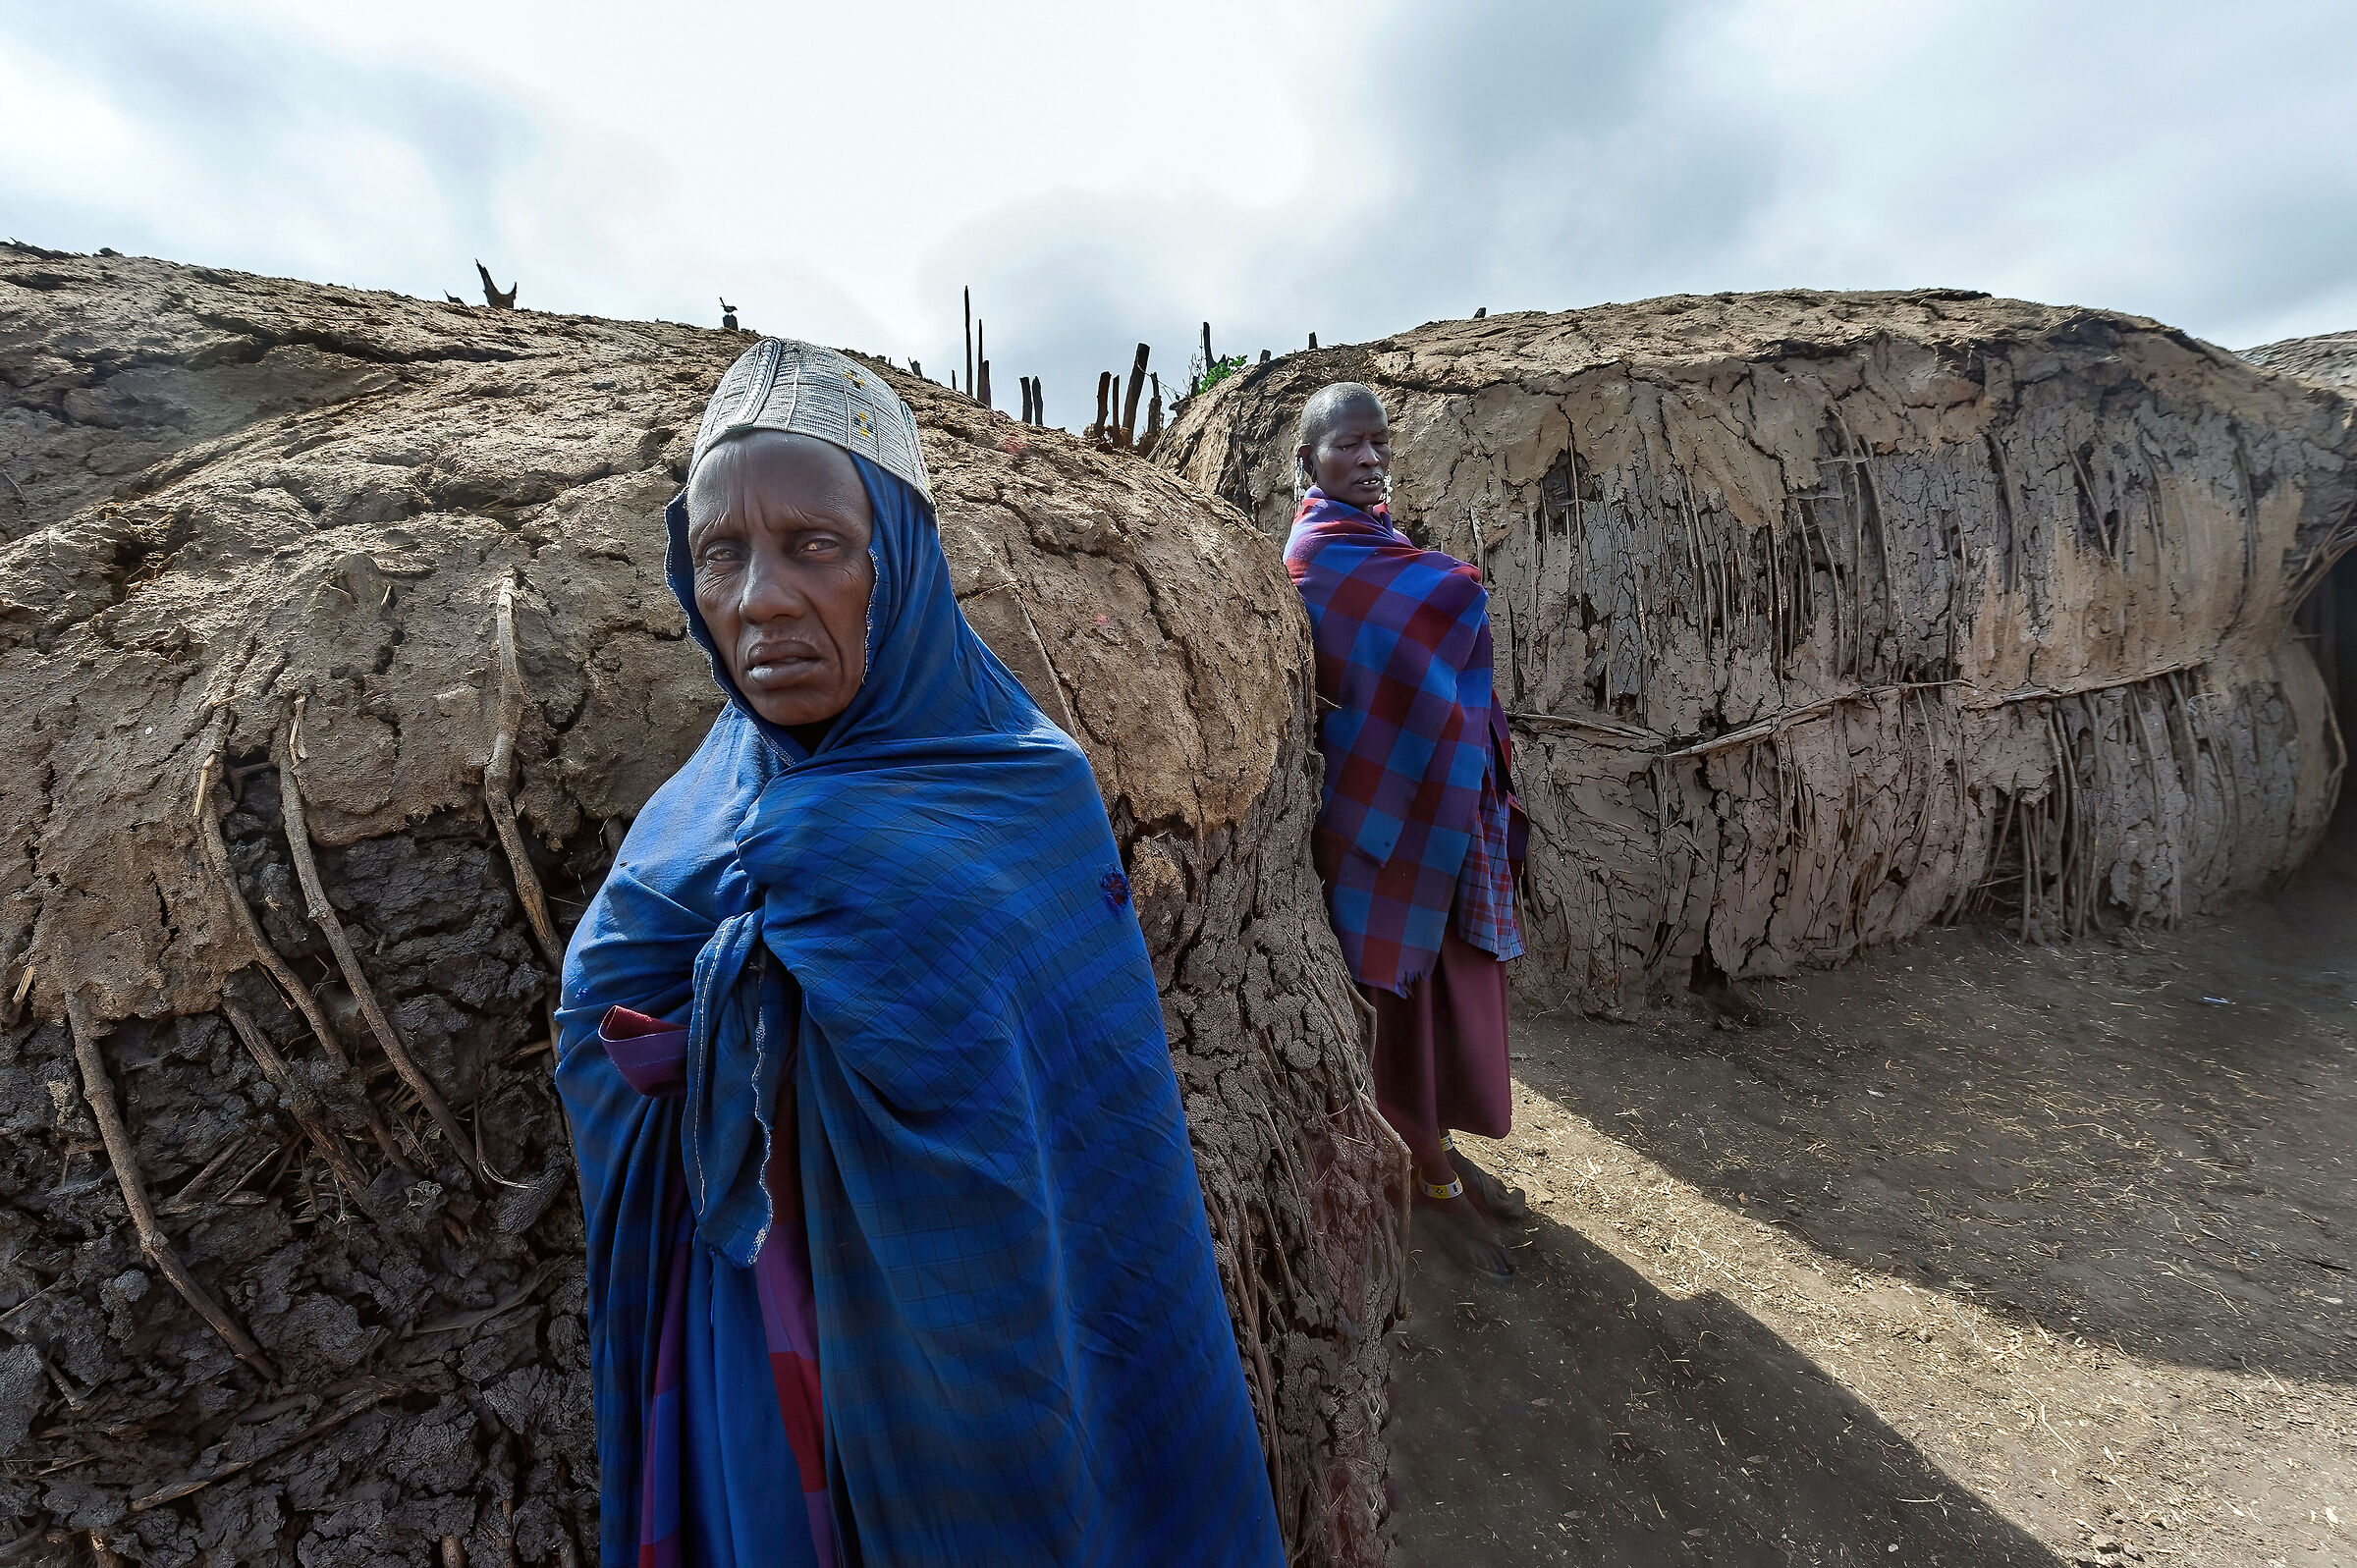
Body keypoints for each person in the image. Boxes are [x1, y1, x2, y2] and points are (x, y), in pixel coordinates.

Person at [556, 338, 1283, 1567]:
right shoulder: (696, 811)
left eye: (815, 546)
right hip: (754, 1336)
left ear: (900, 561)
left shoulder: (1021, 792)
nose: (761, 598)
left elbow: (1079, 1145)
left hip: (973, 1360)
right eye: (721, 553)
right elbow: (603, 1027)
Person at [1284, 382, 1530, 1280]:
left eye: (1380, 443)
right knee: (1389, 996)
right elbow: (1440, 605)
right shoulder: (1318, 555)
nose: (1371, 458)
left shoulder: (1378, 544)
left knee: (1432, 990)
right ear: (1309, 458)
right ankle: (1420, 1169)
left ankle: (1436, 1149)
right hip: (1372, 814)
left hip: (1424, 803)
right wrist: (1457, 582)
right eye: (1350, 444)